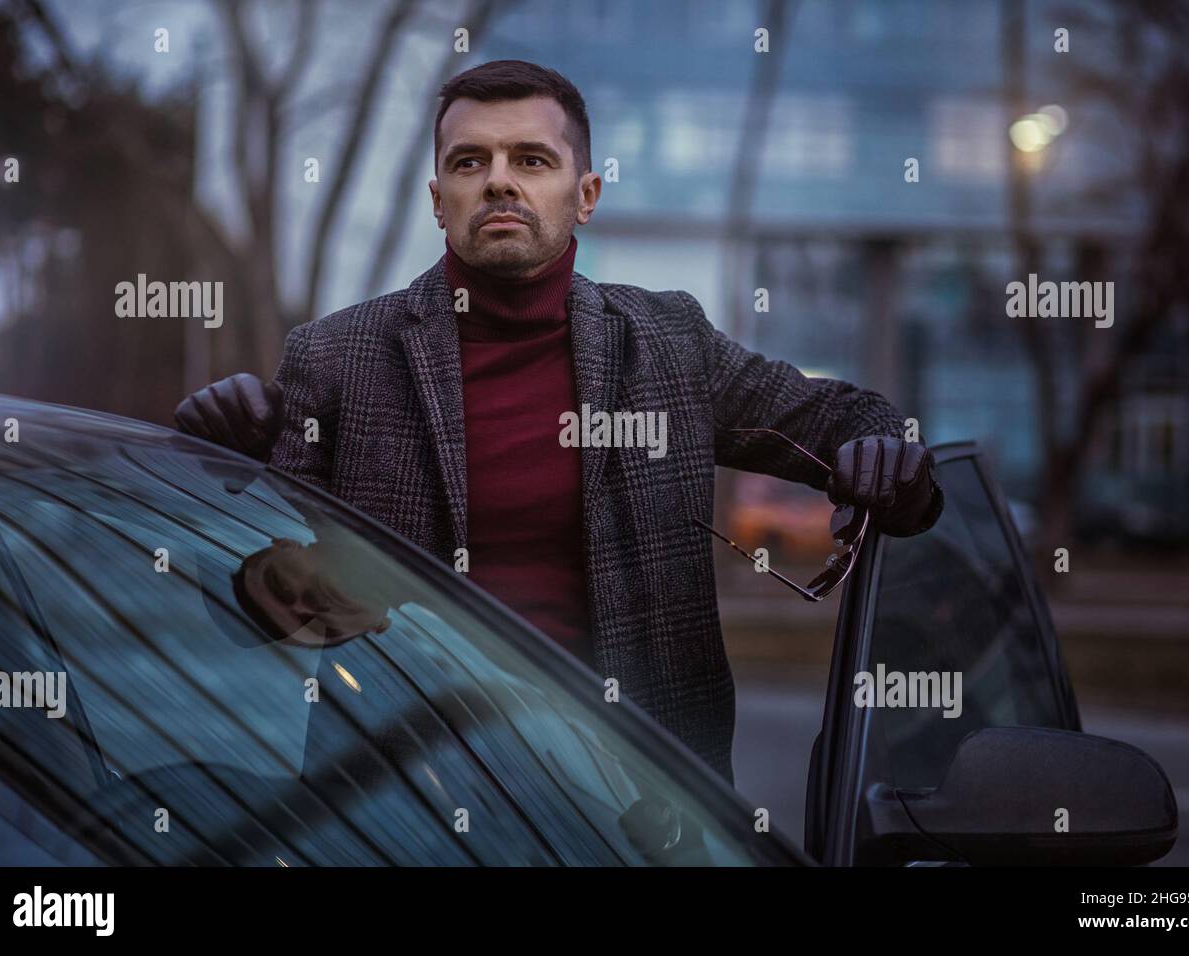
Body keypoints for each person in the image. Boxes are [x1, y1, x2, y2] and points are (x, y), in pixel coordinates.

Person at [175, 59, 943, 785]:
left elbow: (846, 418)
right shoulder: (337, 357)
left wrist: (888, 460)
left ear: (586, 195)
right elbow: (262, 613)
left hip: (639, 803)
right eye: (469, 161)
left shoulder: (670, 344)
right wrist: (220, 482)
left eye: (531, 160)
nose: (499, 180)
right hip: (401, 799)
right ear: (438, 198)